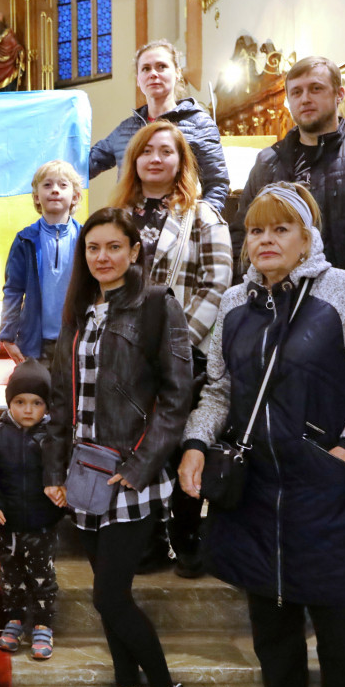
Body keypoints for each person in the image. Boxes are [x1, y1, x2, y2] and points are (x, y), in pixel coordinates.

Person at [178, 182, 345, 687]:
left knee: (344, 629)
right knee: (272, 621)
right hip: (258, 494)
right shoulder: (234, 303)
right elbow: (219, 391)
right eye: (256, 230)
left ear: (308, 238)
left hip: (334, 494)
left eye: (281, 229)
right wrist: (195, 443)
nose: (266, 240)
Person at [43, 207, 194, 687]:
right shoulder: (79, 311)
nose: (102, 257)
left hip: (128, 477)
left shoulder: (156, 304)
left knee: (109, 595)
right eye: (93, 248)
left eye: (113, 246)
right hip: (83, 474)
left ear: (134, 251)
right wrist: (54, 471)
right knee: (111, 599)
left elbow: (177, 396)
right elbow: (60, 400)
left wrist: (141, 464)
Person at [109, 120, 233, 578]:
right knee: (135, 443)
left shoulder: (202, 215)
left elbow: (217, 283)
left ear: (181, 161)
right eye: (146, 151)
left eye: (166, 151)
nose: (155, 159)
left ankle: (186, 536)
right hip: (126, 351)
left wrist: (176, 347)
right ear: (134, 160)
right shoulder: (118, 215)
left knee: (180, 445)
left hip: (184, 352)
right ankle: (147, 539)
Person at [230, 55, 345, 302]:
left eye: (316, 89)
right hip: (278, 303)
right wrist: (258, 292)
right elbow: (242, 235)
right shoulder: (268, 162)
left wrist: (337, 294)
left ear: (339, 94)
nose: (305, 99)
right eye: (296, 92)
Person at [0, 359, 63, 660]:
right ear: (9, 402)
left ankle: (43, 624)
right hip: (7, 525)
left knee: (42, 576)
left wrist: (63, 499)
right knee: (10, 577)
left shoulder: (54, 439)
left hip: (41, 524)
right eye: (20, 402)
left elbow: (63, 473)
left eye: (37, 403)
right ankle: (13, 620)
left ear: (47, 406)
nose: (27, 409)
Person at [89, 40, 229, 214]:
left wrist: (201, 222)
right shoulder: (126, 129)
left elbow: (217, 183)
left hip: (179, 222)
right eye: (146, 69)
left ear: (177, 73)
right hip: (129, 224)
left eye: (161, 66)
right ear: (138, 80)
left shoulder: (199, 123)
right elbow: (85, 165)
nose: (153, 74)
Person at [0, 159, 84, 367]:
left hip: (77, 341)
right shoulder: (25, 240)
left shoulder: (86, 238)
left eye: (63, 185)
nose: (55, 190)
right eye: (47, 185)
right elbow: (13, 291)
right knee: (34, 388)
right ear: (37, 197)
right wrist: (7, 336)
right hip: (36, 344)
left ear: (75, 196)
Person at [0, 12, 25, 92]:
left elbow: (15, 46)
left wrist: (20, 51)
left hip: (9, 66)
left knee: (9, 90)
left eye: (0, 17)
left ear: (3, 19)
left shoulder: (9, 34)